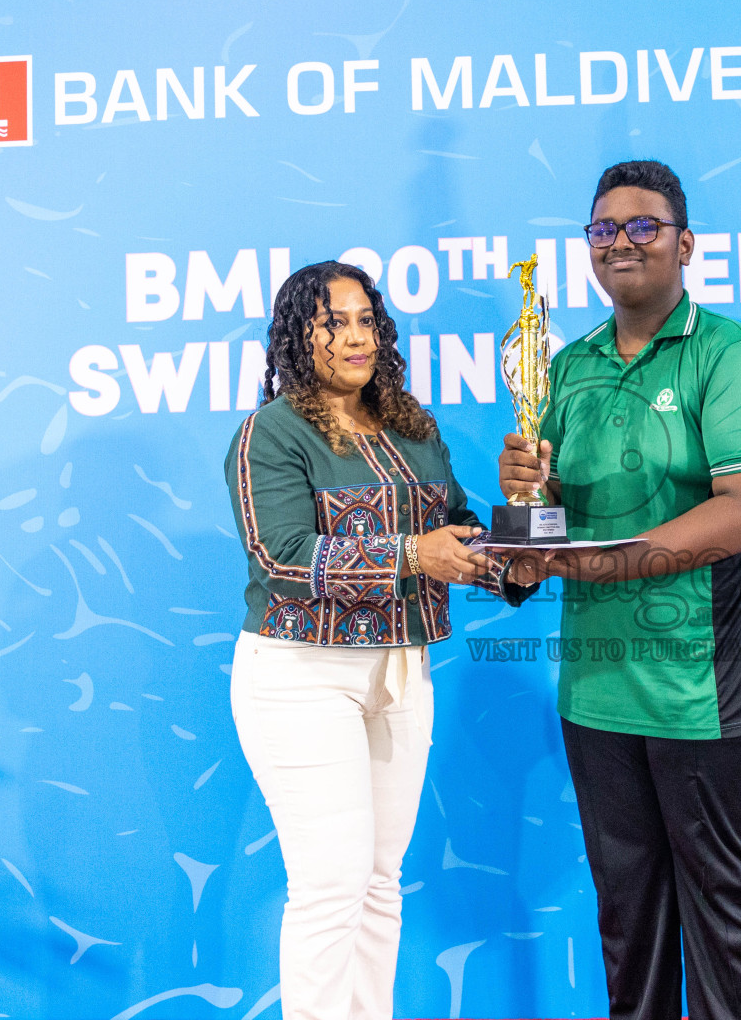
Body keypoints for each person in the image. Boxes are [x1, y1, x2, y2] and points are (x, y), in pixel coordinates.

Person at [498, 160, 741, 1020]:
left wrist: (601, 563)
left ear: (685, 244)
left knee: (725, 910)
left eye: (643, 227)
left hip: (705, 687)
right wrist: (527, 499)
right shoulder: (569, 368)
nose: (621, 243)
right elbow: (547, 530)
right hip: (597, 690)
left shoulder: (731, 357)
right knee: (628, 918)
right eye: (603, 230)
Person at [224, 261, 530, 1020]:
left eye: (367, 320)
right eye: (335, 322)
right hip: (300, 676)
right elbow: (281, 556)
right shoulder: (272, 432)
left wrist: (524, 538)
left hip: (400, 672)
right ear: (299, 336)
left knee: (379, 882)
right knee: (330, 883)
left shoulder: (411, 425)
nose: (356, 336)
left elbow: (456, 529)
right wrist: (409, 555)